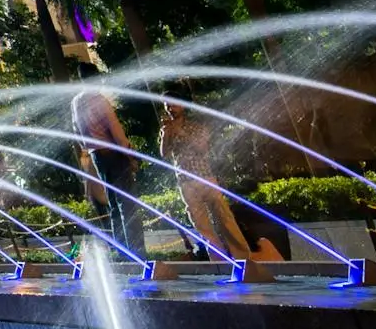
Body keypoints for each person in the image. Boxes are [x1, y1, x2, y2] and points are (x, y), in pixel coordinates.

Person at [160, 101, 278, 261]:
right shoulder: (167, 129)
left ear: (182, 106)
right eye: (167, 105)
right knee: (201, 224)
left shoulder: (196, 127)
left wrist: (180, 132)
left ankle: (244, 257)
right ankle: (219, 260)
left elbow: (201, 148)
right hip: (185, 181)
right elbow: (164, 154)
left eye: (173, 105)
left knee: (224, 216)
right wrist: (166, 134)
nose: (170, 108)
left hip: (205, 177)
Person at [73, 80, 144, 257]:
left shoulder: (76, 102)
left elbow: (77, 131)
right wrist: (131, 155)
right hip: (114, 153)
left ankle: (121, 253)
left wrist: (90, 148)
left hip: (97, 155)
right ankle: (137, 253)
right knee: (127, 204)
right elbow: (116, 131)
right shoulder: (99, 100)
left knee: (113, 204)